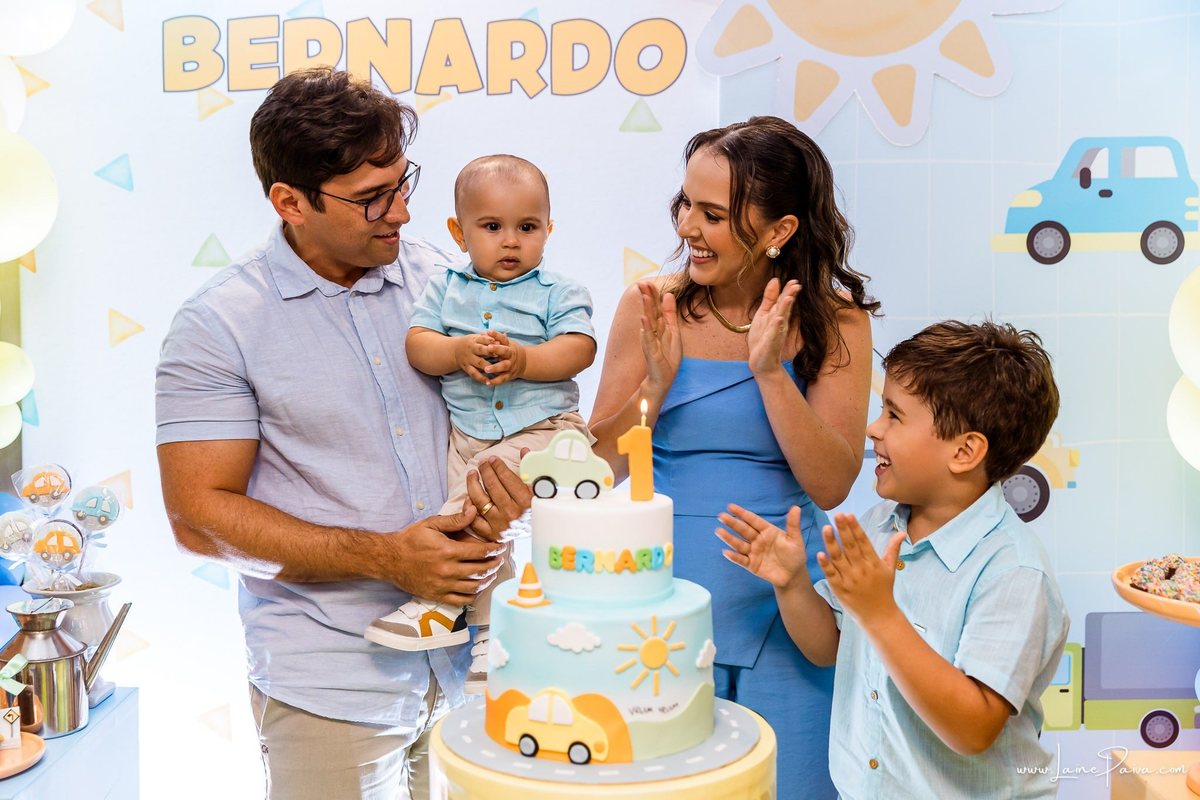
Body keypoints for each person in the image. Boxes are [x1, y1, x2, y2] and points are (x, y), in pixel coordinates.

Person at [155, 68, 530, 800]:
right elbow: (199, 517)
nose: (402, 212)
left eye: (403, 182)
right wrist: (386, 558)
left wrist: (514, 481)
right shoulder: (217, 326)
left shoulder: (448, 284)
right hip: (329, 684)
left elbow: (508, 424)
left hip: (479, 673)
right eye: (371, 198)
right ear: (290, 202)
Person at [590, 115, 877, 798]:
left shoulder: (836, 321)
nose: (687, 227)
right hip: (656, 623)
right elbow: (598, 469)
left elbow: (832, 483)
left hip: (788, 617)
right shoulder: (650, 304)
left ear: (780, 230)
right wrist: (654, 387)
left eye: (712, 214)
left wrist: (771, 373)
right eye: (685, 204)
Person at [718, 320, 1069, 799]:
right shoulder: (879, 525)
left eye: (894, 415)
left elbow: (973, 729)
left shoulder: (1013, 572)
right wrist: (793, 583)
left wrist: (881, 614)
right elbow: (828, 647)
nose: (873, 428)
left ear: (965, 451)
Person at [366, 155, 596, 693]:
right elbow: (419, 345)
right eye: (492, 227)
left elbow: (579, 348)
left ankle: (438, 603)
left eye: (528, 227)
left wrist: (525, 360)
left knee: (467, 512)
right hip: (469, 435)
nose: (511, 241)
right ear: (459, 232)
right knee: (489, 530)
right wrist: (456, 351)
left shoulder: (557, 290)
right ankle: (495, 638)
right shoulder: (444, 288)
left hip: (543, 431)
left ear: (549, 230)